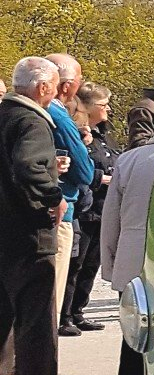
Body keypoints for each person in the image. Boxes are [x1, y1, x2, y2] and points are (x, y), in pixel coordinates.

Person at [0, 57, 80, 375]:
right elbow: (27, 165)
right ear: (44, 88)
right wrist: (53, 195)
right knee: (36, 325)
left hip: (3, 232)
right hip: (28, 234)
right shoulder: (31, 119)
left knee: (3, 321)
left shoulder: (4, 115)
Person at [103, 127, 154, 375]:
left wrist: (110, 263)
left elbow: (111, 218)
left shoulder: (129, 159)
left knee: (133, 336)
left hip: (131, 255)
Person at [42, 56, 94, 356]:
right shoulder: (60, 116)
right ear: (67, 86)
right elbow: (84, 172)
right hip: (61, 211)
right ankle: (39, 371)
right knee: (51, 296)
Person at [61, 83, 117, 333]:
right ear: (88, 107)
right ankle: (65, 315)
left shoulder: (103, 134)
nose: (107, 109)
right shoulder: (78, 134)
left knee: (91, 264)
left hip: (102, 207)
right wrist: (100, 178)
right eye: (102, 105)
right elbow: (79, 167)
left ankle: (78, 311)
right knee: (75, 264)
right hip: (86, 207)